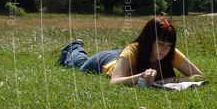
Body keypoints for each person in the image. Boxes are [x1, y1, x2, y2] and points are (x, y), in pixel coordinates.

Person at [58, 17, 204, 86]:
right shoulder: (134, 50)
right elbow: (115, 82)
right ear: (149, 40)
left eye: (168, 45)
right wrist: (141, 76)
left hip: (122, 55)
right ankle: (74, 46)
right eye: (160, 43)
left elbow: (199, 76)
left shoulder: (171, 53)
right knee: (78, 63)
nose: (164, 49)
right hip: (105, 61)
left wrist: (171, 80)